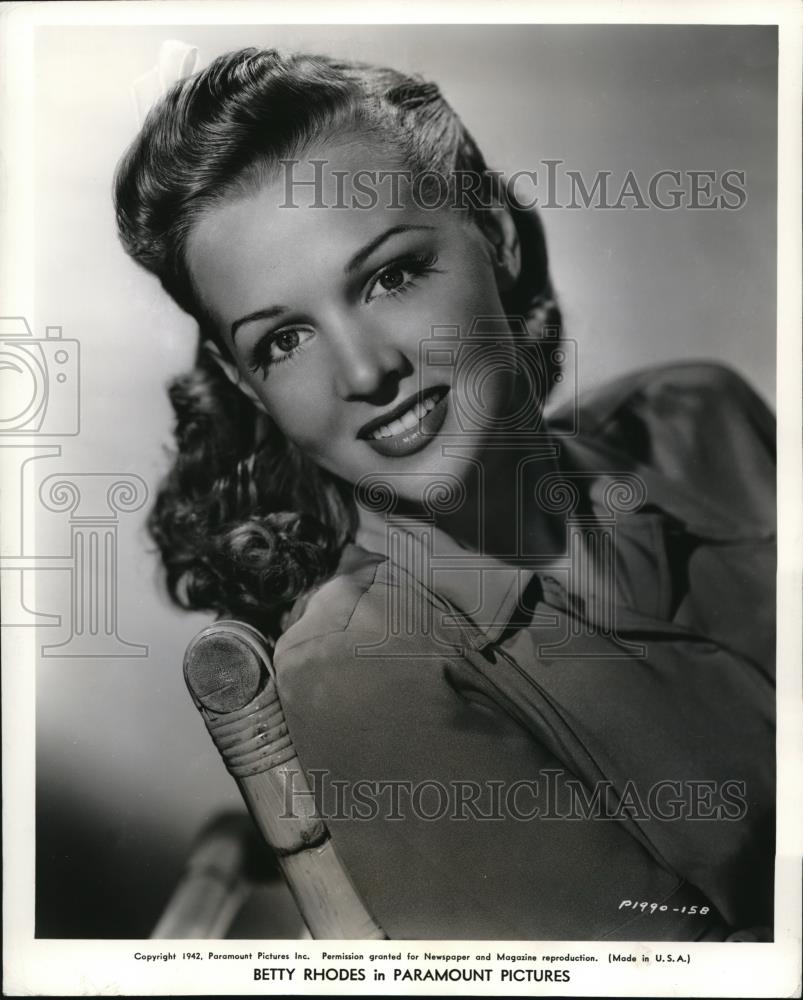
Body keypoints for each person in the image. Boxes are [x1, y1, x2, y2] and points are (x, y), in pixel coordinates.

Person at [114, 47, 775, 940]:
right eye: (284, 340)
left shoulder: (699, 419)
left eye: (389, 276)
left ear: (494, 236)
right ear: (243, 382)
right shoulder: (364, 677)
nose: (365, 369)